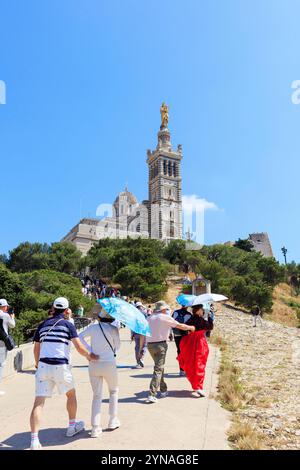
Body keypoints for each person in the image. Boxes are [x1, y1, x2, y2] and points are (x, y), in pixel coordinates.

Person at [29, 297, 98, 450]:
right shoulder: (68, 325)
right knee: (71, 395)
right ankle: (72, 426)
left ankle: (34, 440)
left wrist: (36, 363)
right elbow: (79, 347)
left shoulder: (42, 325)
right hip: (61, 366)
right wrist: (90, 356)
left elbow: (36, 349)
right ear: (67, 310)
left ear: (53, 308)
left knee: (38, 402)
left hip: (43, 366)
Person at [79, 309, 121, 438]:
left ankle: (95, 428)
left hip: (94, 363)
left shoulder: (93, 327)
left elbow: (79, 337)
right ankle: (112, 420)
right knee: (113, 391)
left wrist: (90, 351)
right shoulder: (114, 329)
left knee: (97, 395)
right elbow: (117, 347)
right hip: (109, 363)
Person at [146, 300, 195, 403]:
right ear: (163, 309)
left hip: (150, 345)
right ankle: (152, 394)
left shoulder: (149, 317)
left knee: (159, 367)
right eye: (166, 309)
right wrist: (191, 328)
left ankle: (163, 390)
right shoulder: (165, 317)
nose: (167, 310)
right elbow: (180, 326)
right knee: (158, 369)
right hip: (161, 345)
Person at [178, 304, 213, 397]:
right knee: (200, 364)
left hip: (190, 343)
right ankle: (199, 387)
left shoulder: (191, 319)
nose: (203, 311)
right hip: (200, 344)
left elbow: (183, 331)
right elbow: (210, 327)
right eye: (202, 309)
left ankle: (196, 386)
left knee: (193, 364)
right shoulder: (200, 320)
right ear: (198, 310)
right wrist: (210, 317)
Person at [0, 299, 15, 396]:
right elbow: (13, 325)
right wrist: (12, 317)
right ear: (4, 306)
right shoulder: (5, 315)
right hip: (1, 344)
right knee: (1, 365)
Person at [172, 304, 192, 376]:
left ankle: (181, 370)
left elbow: (172, 323)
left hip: (176, 334)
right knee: (185, 352)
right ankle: (185, 368)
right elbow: (190, 327)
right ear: (187, 306)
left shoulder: (175, 312)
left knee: (179, 351)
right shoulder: (189, 314)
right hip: (185, 336)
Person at [131, 302, 147, 369]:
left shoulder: (133, 314)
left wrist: (132, 334)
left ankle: (138, 362)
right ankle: (141, 359)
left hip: (136, 332)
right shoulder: (145, 313)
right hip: (143, 332)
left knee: (137, 347)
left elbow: (131, 325)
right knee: (143, 346)